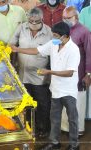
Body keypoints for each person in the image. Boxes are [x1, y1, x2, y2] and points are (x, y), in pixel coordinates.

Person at [11, 21, 80, 150]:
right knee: (54, 118)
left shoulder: (73, 50)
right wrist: (18, 49)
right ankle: (54, 143)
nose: (53, 38)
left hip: (68, 90)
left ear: (64, 36)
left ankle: (74, 144)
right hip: (55, 89)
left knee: (72, 119)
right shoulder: (53, 44)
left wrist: (49, 72)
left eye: (55, 36)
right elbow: (36, 50)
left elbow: (70, 73)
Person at [10, 8, 52, 138]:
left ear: (42, 20)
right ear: (27, 19)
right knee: (26, 103)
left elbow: (53, 54)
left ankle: (43, 129)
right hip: (23, 75)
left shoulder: (49, 32)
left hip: (40, 76)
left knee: (42, 104)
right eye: (31, 21)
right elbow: (11, 44)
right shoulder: (21, 28)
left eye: (36, 21)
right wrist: (12, 64)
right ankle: (28, 128)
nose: (33, 23)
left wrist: (50, 73)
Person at [62, 6, 91, 136]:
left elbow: (89, 54)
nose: (66, 20)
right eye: (64, 18)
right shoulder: (61, 30)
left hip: (79, 74)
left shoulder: (84, 31)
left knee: (78, 102)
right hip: (63, 73)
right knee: (64, 101)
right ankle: (66, 128)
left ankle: (78, 129)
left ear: (76, 18)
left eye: (68, 18)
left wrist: (88, 74)